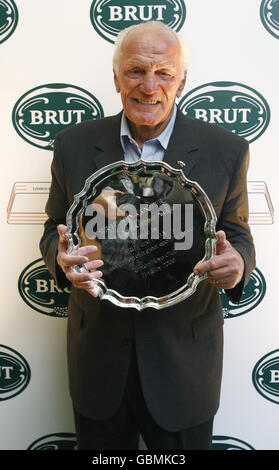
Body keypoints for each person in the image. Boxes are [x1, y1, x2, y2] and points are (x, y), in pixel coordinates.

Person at [40, 21, 256, 450]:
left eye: (164, 73)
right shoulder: (73, 146)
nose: (149, 86)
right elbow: (53, 230)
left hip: (183, 365)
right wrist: (60, 260)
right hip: (99, 363)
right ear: (116, 76)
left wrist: (238, 265)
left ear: (182, 80)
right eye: (137, 71)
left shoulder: (226, 150)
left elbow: (238, 236)